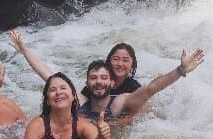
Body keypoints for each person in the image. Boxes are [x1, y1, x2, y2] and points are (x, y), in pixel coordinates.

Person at [78, 48, 204, 123]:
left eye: (104, 78)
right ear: (87, 83)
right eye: (93, 78)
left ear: (112, 82)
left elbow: (151, 88)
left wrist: (180, 70)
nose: (99, 81)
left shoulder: (120, 101)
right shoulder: (81, 100)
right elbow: (60, 85)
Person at [9, 31, 142, 101]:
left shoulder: (134, 88)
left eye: (125, 60)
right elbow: (49, 76)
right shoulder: (92, 88)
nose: (119, 64)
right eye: (116, 59)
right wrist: (25, 50)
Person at [24, 73, 111, 139]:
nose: (58, 92)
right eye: (53, 90)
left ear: (73, 96)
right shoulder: (37, 125)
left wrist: (101, 136)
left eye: (63, 88)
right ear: (47, 100)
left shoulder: (82, 125)